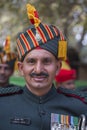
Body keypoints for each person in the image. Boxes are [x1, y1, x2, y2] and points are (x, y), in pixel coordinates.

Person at [0, 3, 87, 130]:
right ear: (20, 68)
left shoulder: (80, 106)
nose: (39, 69)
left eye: (46, 61)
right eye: (31, 61)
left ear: (57, 67)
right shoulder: (2, 104)